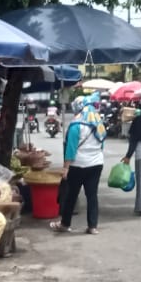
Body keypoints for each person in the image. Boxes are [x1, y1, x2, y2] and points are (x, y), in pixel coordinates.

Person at [52, 97, 106, 235]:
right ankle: (92, 226)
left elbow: (71, 149)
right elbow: (102, 144)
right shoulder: (98, 123)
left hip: (78, 165)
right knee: (92, 195)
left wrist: (66, 168)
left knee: (71, 195)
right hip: (96, 164)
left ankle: (65, 224)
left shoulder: (76, 124)